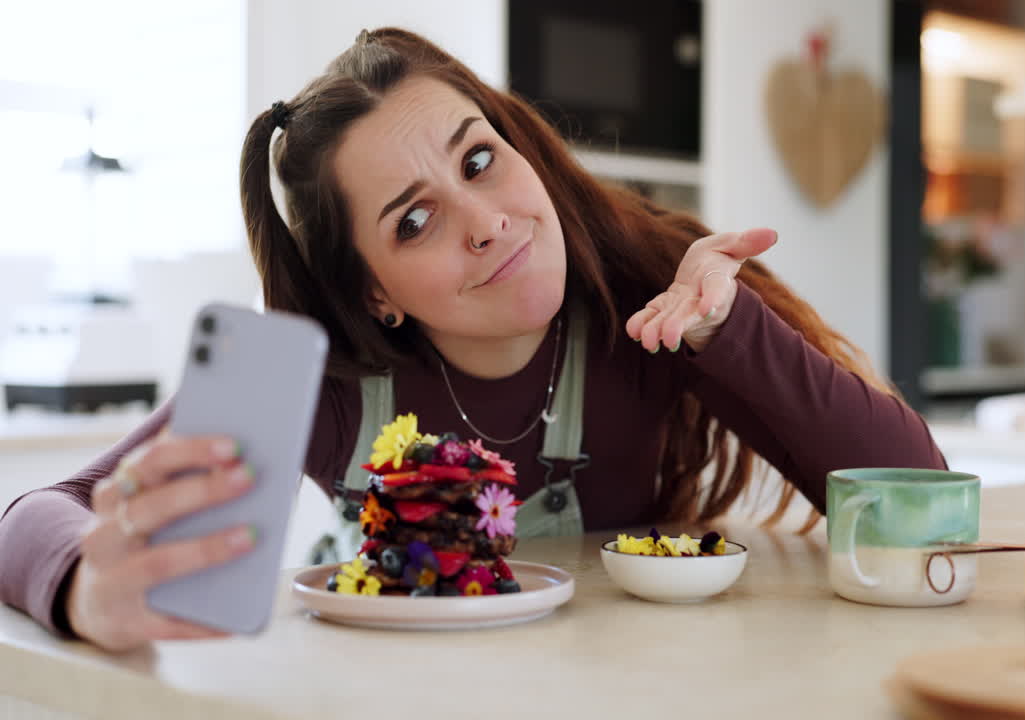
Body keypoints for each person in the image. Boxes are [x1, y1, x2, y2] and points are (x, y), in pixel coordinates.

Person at [0, 28, 945, 652]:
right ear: (373, 294)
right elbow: (36, 513)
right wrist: (86, 581)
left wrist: (730, 333)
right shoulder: (317, 376)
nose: (487, 222)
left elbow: (922, 502)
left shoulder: (651, 308)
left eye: (480, 161)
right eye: (414, 222)